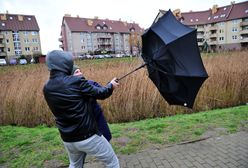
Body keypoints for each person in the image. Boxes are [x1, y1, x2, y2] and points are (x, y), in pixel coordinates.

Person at [43, 50, 120, 168]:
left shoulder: (47, 87)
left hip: (68, 139)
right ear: (65, 65)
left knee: (75, 165)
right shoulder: (76, 81)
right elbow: (101, 93)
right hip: (88, 136)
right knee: (112, 162)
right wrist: (111, 85)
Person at [72, 65, 112, 141]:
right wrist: (111, 85)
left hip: (97, 117)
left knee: (106, 137)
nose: (80, 73)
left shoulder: (90, 83)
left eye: (80, 71)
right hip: (85, 123)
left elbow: (102, 91)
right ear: (71, 75)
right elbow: (103, 93)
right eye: (76, 72)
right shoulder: (86, 85)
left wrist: (110, 85)